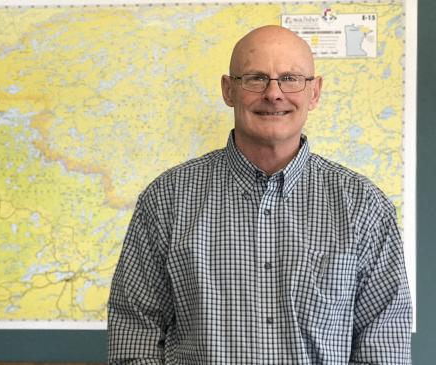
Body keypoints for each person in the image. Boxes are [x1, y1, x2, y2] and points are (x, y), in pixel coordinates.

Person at [107, 25, 412, 364]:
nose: (274, 94)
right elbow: (136, 331)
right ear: (228, 90)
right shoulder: (167, 200)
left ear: (314, 92)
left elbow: (382, 345)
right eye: (255, 78)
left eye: (291, 78)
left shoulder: (363, 206)